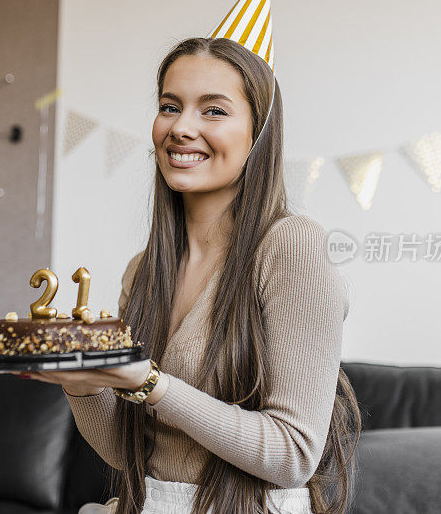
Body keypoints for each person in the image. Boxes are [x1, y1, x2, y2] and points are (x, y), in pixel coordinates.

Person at [18, 33, 361, 514]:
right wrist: (83, 384)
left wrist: (150, 382)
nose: (182, 127)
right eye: (169, 106)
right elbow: (131, 453)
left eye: (214, 110)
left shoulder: (290, 246)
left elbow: (293, 455)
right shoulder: (144, 271)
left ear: (259, 133)